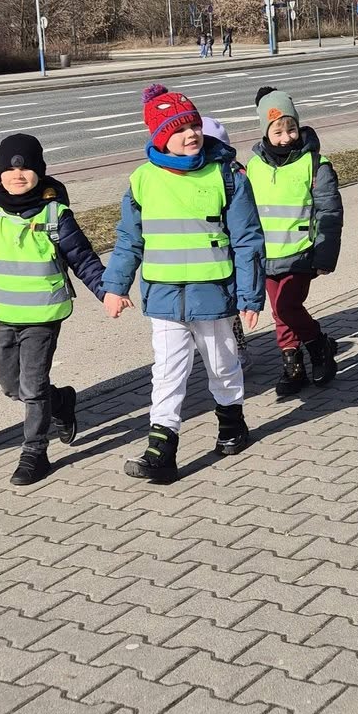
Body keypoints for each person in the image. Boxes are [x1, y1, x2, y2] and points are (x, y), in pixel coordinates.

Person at [102, 88, 264, 484]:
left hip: (214, 294)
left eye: (193, 125)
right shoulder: (142, 180)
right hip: (164, 296)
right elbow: (129, 238)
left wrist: (250, 295)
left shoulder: (227, 175)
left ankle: (231, 424)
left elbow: (248, 240)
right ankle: (161, 448)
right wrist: (115, 286)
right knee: (167, 371)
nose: (191, 134)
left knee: (222, 363)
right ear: (160, 138)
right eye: (178, 130)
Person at [0, 132, 109, 485]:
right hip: (6, 315)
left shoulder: (55, 214)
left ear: (39, 171)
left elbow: (83, 259)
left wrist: (108, 291)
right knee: (10, 385)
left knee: (32, 386)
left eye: (26, 168)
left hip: (43, 316)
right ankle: (61, 402)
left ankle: (35, 452)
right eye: (10, 169)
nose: (18, 175)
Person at [245, 88, 343, 400]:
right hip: (266, 255)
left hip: (301, 252)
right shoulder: (254, 166)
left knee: (287, 306)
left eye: (291, 129)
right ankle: (292, 363)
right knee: (279, 311)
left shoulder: (315, 164)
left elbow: (329, 212)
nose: (286, 138)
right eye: (278, 132)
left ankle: (318, 346)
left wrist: (324, 255)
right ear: (265, 132)